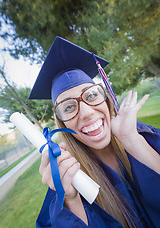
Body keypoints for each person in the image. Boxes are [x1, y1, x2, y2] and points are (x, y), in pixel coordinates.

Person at [29, 37, 160, 228]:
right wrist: (71, 200)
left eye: (91, 95)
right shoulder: (67, 180)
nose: (87, 113)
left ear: (106, 99)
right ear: (61, 121)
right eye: (68, 108)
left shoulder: (144, 137)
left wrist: (132, 140)